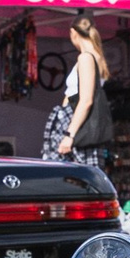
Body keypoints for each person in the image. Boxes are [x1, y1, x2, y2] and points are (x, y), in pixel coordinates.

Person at [43, 14, 115, 160]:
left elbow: (86, 100)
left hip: (76, 124)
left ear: (73, 33)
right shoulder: (97, 57)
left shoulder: (85, 58)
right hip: (82, 124)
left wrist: (69, 134)